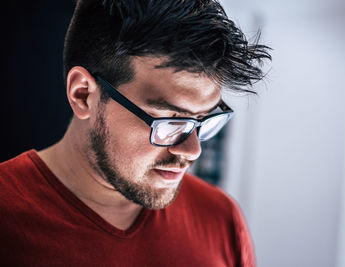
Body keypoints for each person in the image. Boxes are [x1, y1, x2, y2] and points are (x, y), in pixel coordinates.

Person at [0, 0, 270, 266]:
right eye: (169, 120)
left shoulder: (220, 219)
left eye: (203, 119)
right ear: (83, 95)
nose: (192, 150)